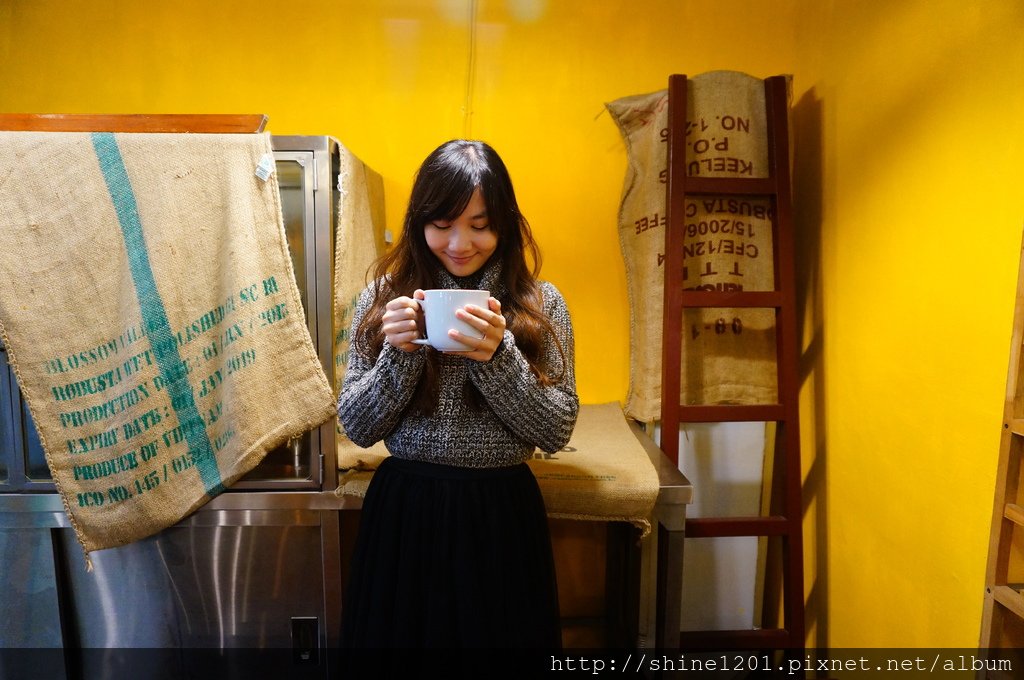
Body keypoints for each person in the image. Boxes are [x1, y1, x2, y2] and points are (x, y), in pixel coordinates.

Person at [337, 139, 579, 651]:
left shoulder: (541, 304)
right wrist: (398, 353)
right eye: (443, 224)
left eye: (480, 224)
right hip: (406, 512)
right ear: (419, 223)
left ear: (505, 224)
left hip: (501, 514)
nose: (459, 243)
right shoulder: (383, 299)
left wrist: (497, 358)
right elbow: (357, 427)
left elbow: (556, 431)